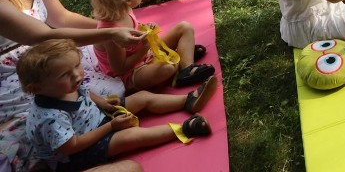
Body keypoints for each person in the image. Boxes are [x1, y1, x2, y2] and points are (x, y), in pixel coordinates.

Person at [0, 0, 145, 171]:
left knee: (105, 88)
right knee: (48, 131)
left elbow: (62, 18)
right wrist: (110, 35)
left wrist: (113, 27)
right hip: (22, 75)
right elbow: (43, 36)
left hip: (53, 56)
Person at [19, 39, 213, 172]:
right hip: (76, 156)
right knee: (129, 136)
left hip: (97, 119)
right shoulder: (50, 118)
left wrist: (103, 103)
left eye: (77, 66)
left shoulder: (61, 87)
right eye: (65, 74)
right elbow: (72, 146)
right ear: (36, 88)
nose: (77, 75)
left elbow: (85, 92)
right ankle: (184, 129)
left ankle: (188, 100)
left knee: (142, 97)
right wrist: (111, 127)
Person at [91, 0, 215, 90]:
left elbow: (134, 28)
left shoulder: (123, 10)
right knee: (168, 67)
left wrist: (145, 28)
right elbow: (120, 69)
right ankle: (183, 58)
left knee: (185, 27)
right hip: (130, 74)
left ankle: (186, 68)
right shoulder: (111, 34)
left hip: (146, 54)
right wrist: (144, 49)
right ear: (127, 0)